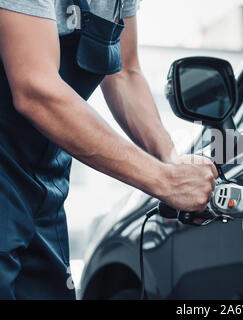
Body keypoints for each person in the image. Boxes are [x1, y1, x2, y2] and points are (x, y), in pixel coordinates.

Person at [0, 0, 217, 299]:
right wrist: (164, 181)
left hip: (42, 185)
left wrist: (172, 161)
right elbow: (35, 89)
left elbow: (124, 72)